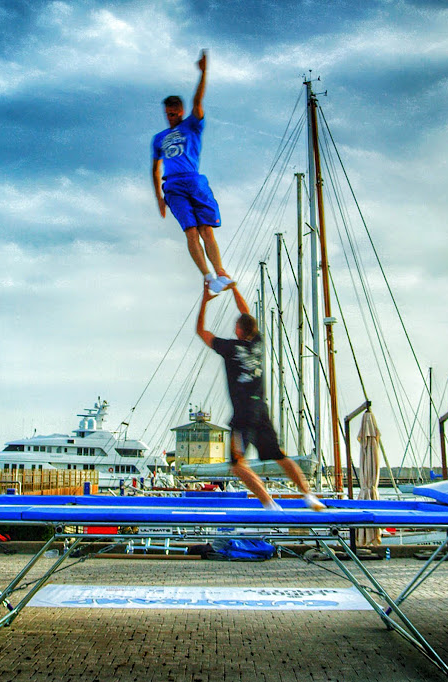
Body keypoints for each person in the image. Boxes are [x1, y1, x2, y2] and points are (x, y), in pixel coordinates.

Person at [196, 281, 325, 511]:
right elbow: (245, 313)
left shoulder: (229, 347)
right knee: (281, 456)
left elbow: (201, 332)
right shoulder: (258, 342)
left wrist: (205, 301)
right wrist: (235, 289)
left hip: (243, 414)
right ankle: (309, 496)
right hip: (261, 410)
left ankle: (269, 504)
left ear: (238, 331)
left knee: (238, 465)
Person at [153, 50, 234, 295]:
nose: (171, 117)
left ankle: (220, 272)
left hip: (195, 180)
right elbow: (155, 169)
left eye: (175, 113)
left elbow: (198, 102)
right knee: (191, 231)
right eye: (168, 114)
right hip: (174, 185)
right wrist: (159, 197)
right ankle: (208, 277)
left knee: (206, 230)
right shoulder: (159, 138)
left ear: (181, 111)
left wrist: (204, 72)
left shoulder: (192, 125)